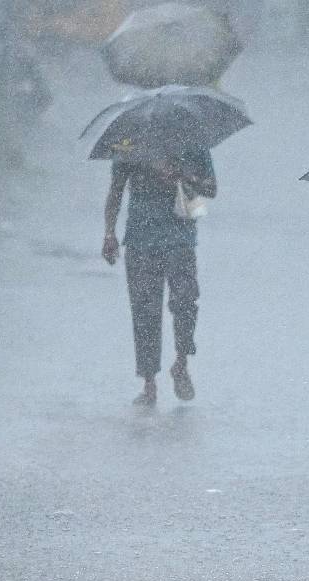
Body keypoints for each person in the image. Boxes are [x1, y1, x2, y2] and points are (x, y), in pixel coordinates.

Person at [102, 150, 216, 406]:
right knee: (144, 311)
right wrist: (109, 233)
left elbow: (211, 188)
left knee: (185, 302)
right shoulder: (131, 145)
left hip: (181, 238)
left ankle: (181, 362)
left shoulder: (193, 143)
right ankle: (149, 382)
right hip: (140, 239)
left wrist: (183, 176)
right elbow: (116, 189)